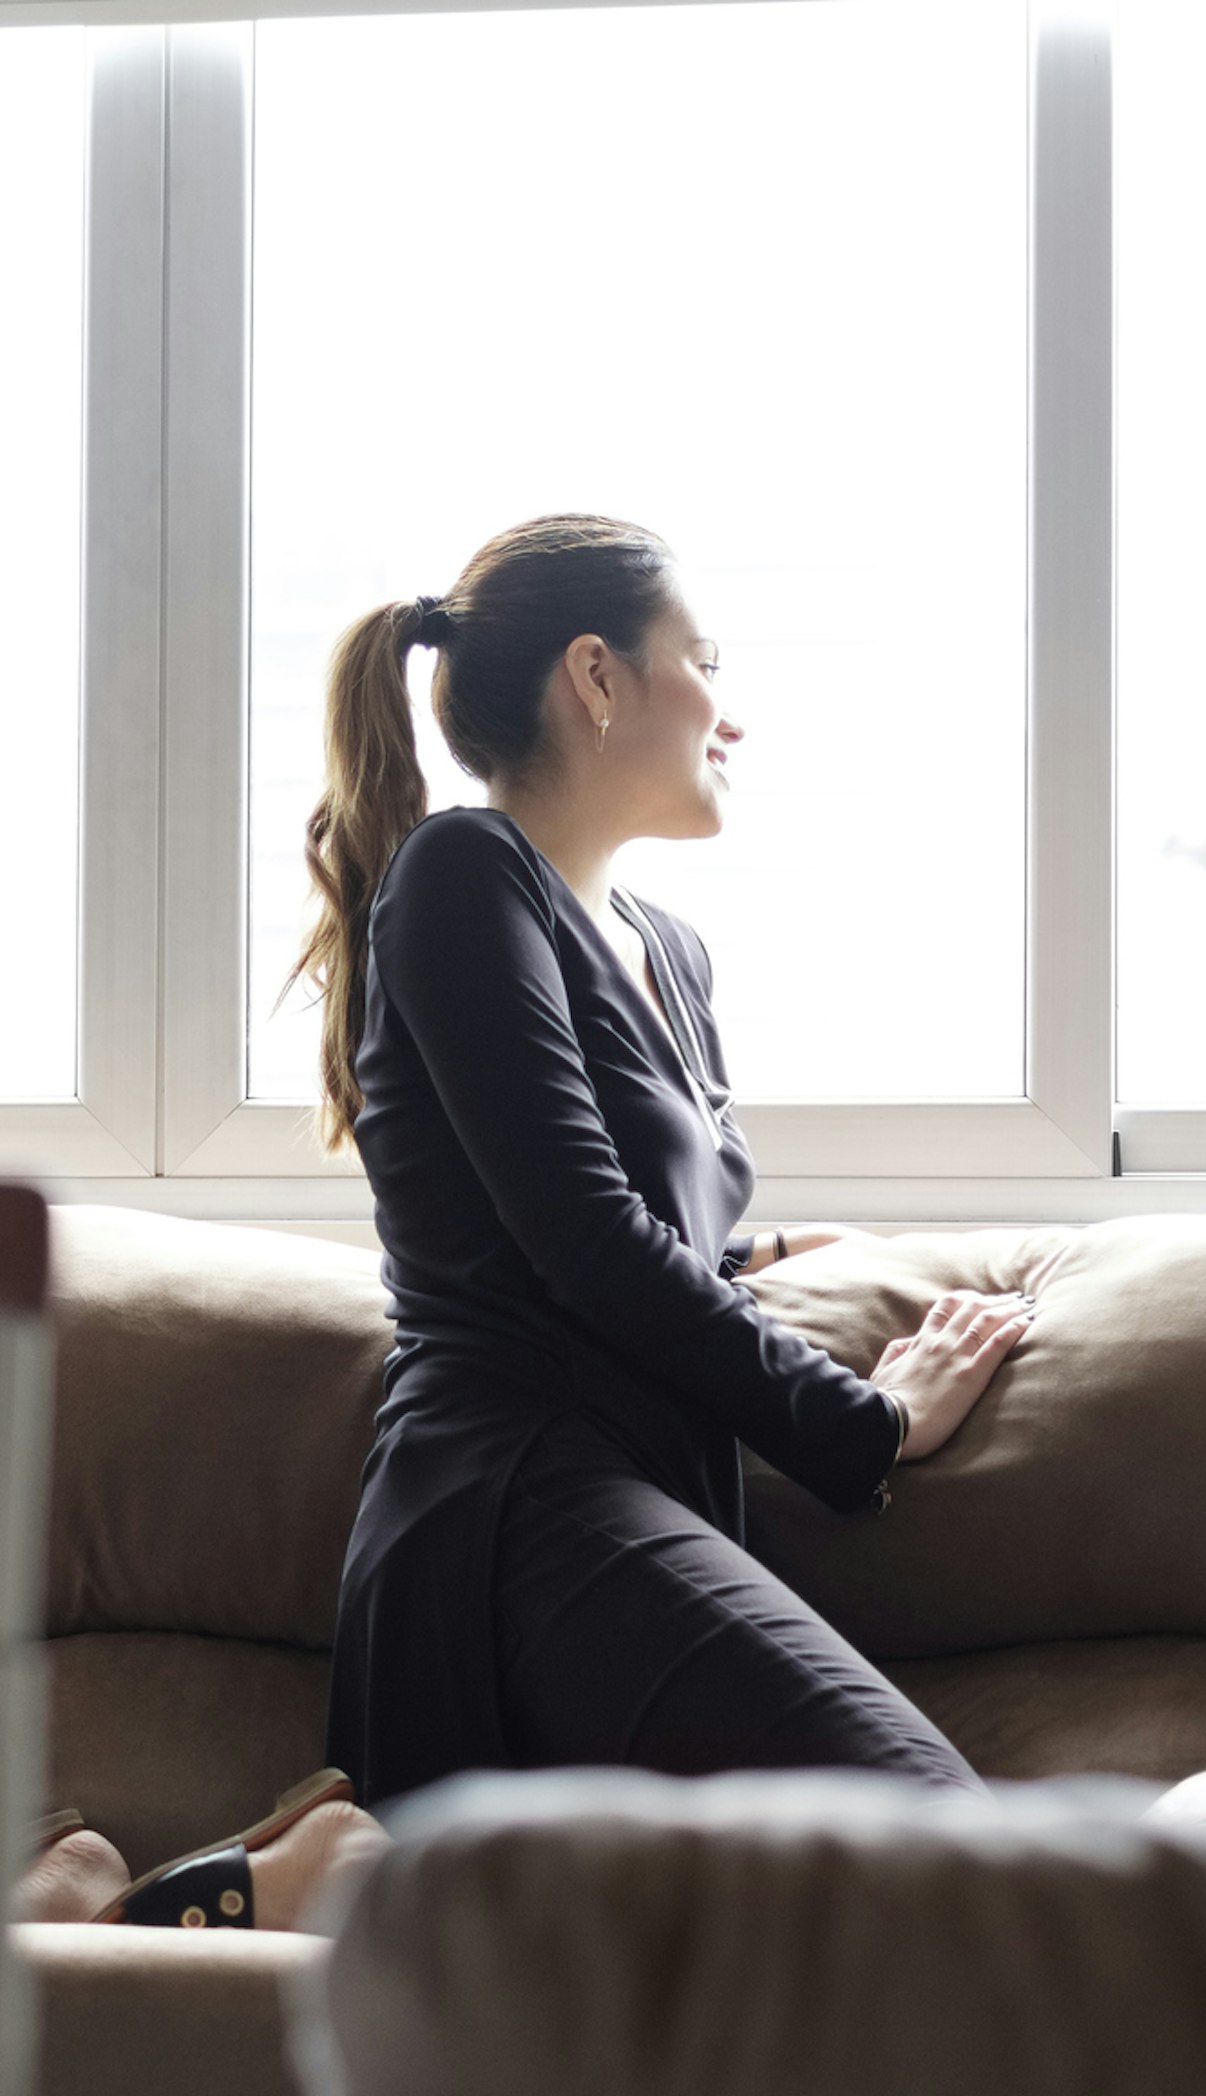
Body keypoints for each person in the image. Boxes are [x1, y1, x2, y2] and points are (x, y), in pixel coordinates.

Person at [297, 516, 1030, 1805]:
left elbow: (603, 1218)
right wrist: (875, 1417)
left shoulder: (670, 949)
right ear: (595, 677)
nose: (731, 718)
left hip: (653, 1493)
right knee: (942, 1835)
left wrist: (767, 1253)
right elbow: (583, 1241)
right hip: (513, 1505)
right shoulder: (466, 875)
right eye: (705, 661)